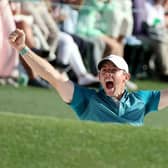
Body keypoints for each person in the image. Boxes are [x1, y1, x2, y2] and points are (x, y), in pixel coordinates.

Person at [8, 29, 168, 126]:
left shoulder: (141, 100)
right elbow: (54, 77)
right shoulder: (86, 99)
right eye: (103, 71)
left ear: (126, 77)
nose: (107, 74)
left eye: (113, 70)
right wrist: (22, 49)